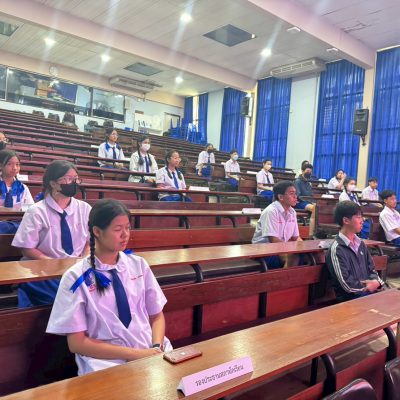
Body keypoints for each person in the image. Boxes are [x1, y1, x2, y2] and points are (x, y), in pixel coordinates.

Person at [46, 199, 172, 376]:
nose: (125, 235)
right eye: (118, 229)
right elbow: (77, 343)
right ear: (97, 231)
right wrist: (135, 355)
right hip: (106, 362)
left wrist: (156, 346)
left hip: (150, 350)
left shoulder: (138, 265)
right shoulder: (75, 278)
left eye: (128, 228)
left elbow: (156, 315)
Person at [12, 160, 91, 308]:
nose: (74, 183)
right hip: (43, 269)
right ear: (53, 183)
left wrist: (83, 259)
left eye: (76, 179)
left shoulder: (85, 208)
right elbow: (27, 248)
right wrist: (53, 263)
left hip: (76, 268)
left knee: (97, 294)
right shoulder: (37, 211)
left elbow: (89, 241)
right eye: (68, 179)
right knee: (66, 300)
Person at [326, 201, 384, 302]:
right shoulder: (337, 249)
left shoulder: (361, 244)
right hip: (350, 300)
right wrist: (368, 287)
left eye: (362, 217)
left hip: (368, 293)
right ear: (346, 220)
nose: (362, 221)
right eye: (358, 217)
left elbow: (372, 270)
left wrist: (377, 283)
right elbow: (346, 285)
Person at [252, 181, 302, 268]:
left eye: (295, 193)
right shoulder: (271, 211)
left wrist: (304, 248)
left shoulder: (292, 212)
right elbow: (273, 240)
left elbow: (296, 237)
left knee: (313, 255)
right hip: (263, 251)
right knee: (293, 257)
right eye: (291, 194)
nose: (295, 196)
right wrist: (290, 250)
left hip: (280, 248)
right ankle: (286, 277)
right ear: (281, 197)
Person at [0, 150, 34, 233]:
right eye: (9, 164)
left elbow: (30, 207)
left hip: (18, 221)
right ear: (1, 166)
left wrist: (18, 210)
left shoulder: (23, 187)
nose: (14, 168)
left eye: (17, 164)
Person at [294, 163, 315, 236]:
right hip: (300, 202)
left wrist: (313, 202)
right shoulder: (297, 181)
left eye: (310, 171)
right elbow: (298, 196)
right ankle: (311, 233)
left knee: (319, 208)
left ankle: (315, 230)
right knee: (314, 208)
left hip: (307, 202)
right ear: (302, 171)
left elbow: (311, 195)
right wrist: (309, 202)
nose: (309, 173)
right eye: (307, 171)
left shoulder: (308, 183)